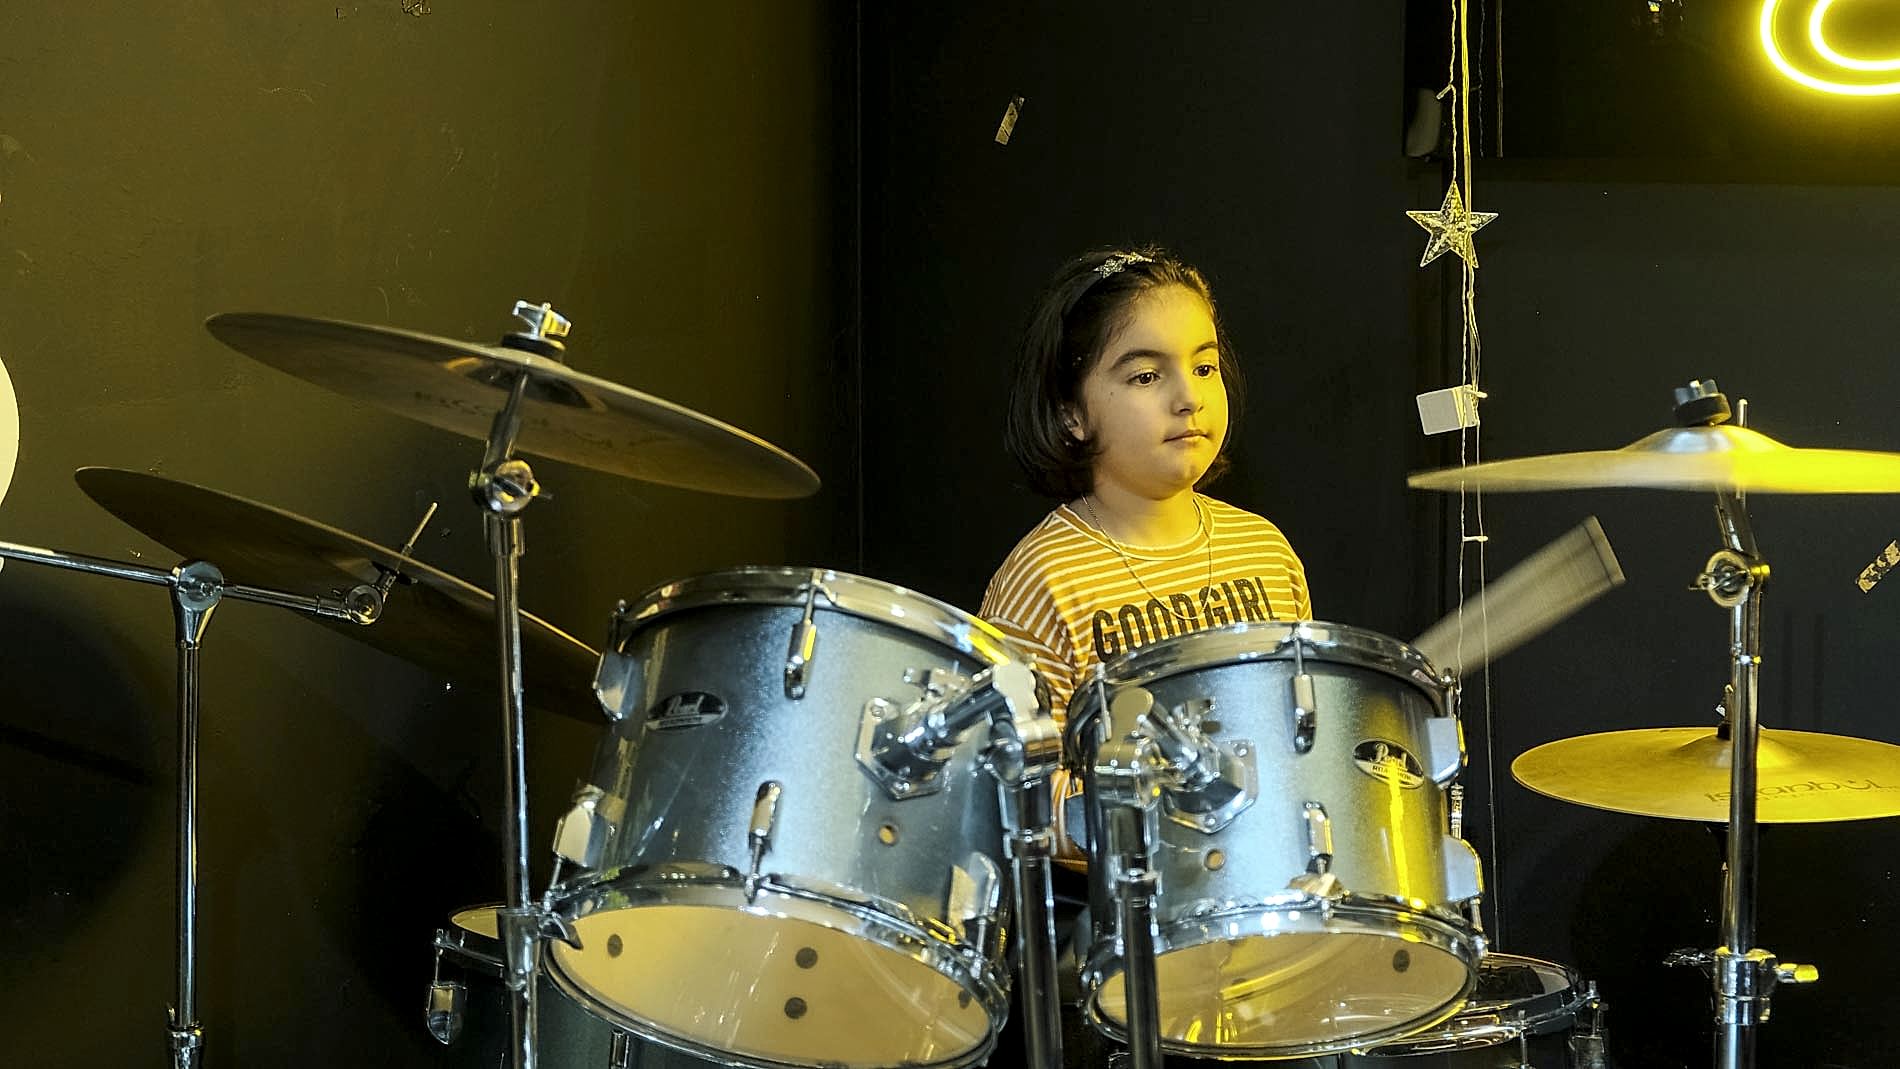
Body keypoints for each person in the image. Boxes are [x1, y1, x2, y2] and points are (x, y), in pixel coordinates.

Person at [979, 245, 1312, 860]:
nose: (1188, 397)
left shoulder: (1265, 551)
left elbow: (1306, 738)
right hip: (1124, 909)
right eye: (1146, 376)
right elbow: (1014, 794)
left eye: (1204, 367)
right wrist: (1156, 813)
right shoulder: (1044, 577)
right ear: (1072, 414)